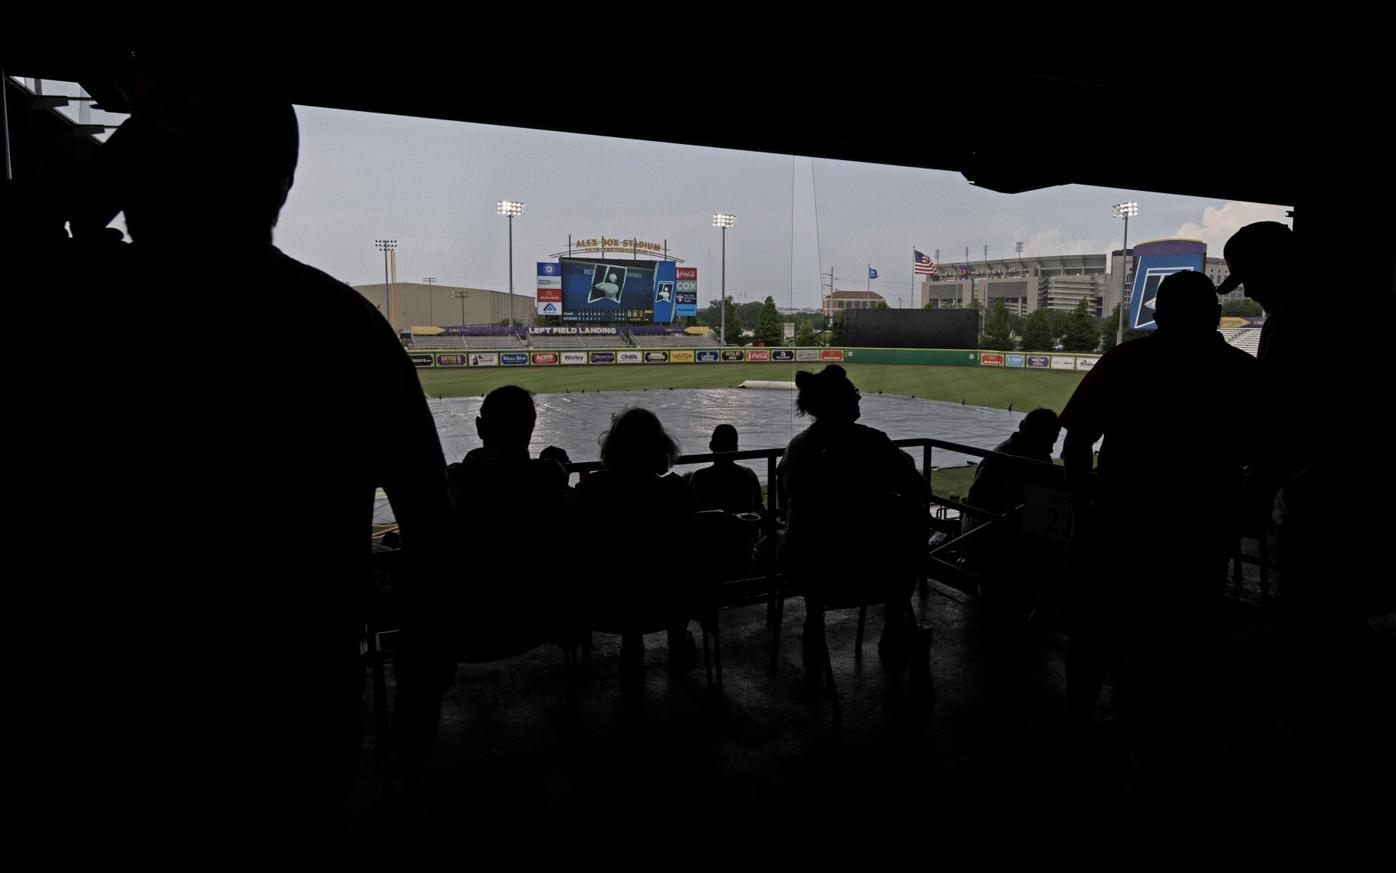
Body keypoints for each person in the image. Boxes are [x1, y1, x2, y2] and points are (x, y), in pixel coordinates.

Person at [15, 63, 456, 841]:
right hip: (299, 715)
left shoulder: (77, 308)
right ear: (274, 186)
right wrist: (419, 700)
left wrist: (86, 203)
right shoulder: (346, 328)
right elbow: (435, 535)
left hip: (111, 719)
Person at [1059, 270, 1259, 756]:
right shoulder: (1240, 371)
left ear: (1158, 315)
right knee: (1181, 644)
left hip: (1121, 526)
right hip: (1200, 534)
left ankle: (1075, 735)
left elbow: (1077, 443)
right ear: (1214, 316)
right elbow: (1265, 453)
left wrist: (1085, 511)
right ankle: (1166, 746)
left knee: (1094, 636)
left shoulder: (1125, 360)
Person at [776, 365, 931, 664]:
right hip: (866, 571)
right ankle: (895, 628)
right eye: (854, 394)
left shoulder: (797, 447)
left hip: (807, 571)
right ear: (842, 402)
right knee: (910, 528)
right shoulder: (874, 442)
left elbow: (791, 511)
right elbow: (920, 490)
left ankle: (814, 625)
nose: (859, 399)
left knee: (812, 540)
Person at [575, 408, 698, 681]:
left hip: (602, 607)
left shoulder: (589, 489)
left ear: (613, 446)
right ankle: (677, 640)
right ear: (661, 447)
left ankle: (633, 648)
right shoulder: (676, 491)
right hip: (665, 604)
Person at [687, 424, 764, 515]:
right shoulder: (749, 474)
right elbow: (758, 506)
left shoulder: (699, 477)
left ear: (711, 445)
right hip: (741, 527)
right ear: (736, 449)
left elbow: (691, 510)